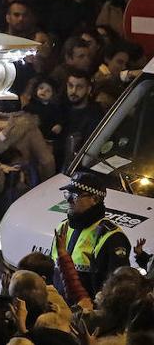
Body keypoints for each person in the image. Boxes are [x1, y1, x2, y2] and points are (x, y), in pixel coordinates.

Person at [51, 170, 131, 298]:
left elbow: (117, 290)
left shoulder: (112, 237)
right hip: (59, 306)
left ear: (95, 199)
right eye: (67, 194)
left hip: (88, 309)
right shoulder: (63, 227)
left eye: (75, 195)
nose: (69, 200)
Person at [60, 68, 104, 167]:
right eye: (70, 86)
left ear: (88, 89)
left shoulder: (95, 115)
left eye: (79, 87)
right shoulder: (60, 108)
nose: (73, 91)